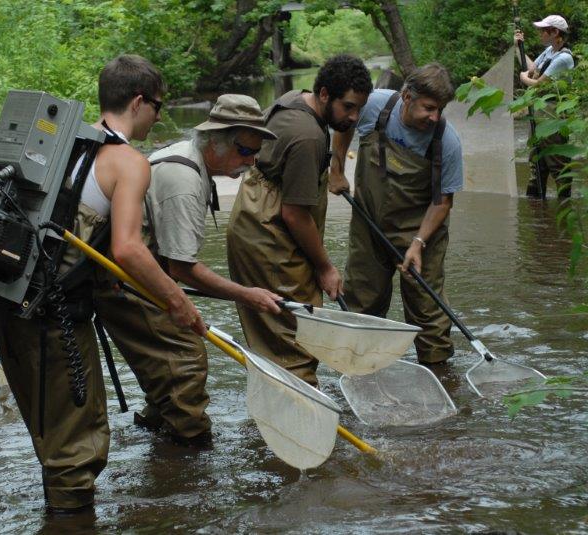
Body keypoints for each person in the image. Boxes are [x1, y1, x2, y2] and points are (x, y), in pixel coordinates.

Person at [0, 54, 205, 514]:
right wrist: (177, 303)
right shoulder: (127, 162)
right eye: (159, 106)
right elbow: (128, 249)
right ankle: (71, 521)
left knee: (49, 434)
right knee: (77, 446)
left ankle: (58, 514)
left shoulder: (63, 142)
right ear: (138, 101)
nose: (159, 116)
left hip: (8, 303)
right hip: (56, 319)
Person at [95, 94, 281, 445]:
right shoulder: (184, 180)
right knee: (187, 358)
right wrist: (248, 296)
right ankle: (190, 447)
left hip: (135, 271)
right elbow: (183, 268)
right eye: (244, 151)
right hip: (123, 280)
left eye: (255, 153)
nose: (251, 161)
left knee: (171, 362)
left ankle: (158, 428)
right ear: (214, 142)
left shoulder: (186, 155)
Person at [226, 54, 372, 386]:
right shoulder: (309, 136)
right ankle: (303, 422)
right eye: (348, 107)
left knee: (271, 336)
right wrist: (325, 266)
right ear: (324, 95)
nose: (354, 117)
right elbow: (294, 213)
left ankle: (272, 416)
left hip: (250, 220)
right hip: (269, 235)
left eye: (359, 109)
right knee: (296, 336)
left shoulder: (293, 100)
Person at [330, 63, 463, 365]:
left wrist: (417, 243)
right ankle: (361, 371)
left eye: (440, 109)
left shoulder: (447, 141)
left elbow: (442, 202)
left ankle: (439, 375)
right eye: (429, 108)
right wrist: (336, 168)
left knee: (429, 313)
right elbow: (345, 123)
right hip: (369, 225)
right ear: (406, 96)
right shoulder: (375, 106)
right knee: (361, 305)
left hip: (420, 232)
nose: (435, 117)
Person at [514, 14, 575, 198]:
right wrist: (519, 48)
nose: (540, 33)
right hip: (540, 110)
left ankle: (565, 207)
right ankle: (538, 213)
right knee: (536, 161)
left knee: (557, 163)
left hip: (554, 113)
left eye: (543, 30)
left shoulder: (564, 58)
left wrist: (523, 78)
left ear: (555, 32)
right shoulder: (549, 51)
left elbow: (537, 82)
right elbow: (532, 68)